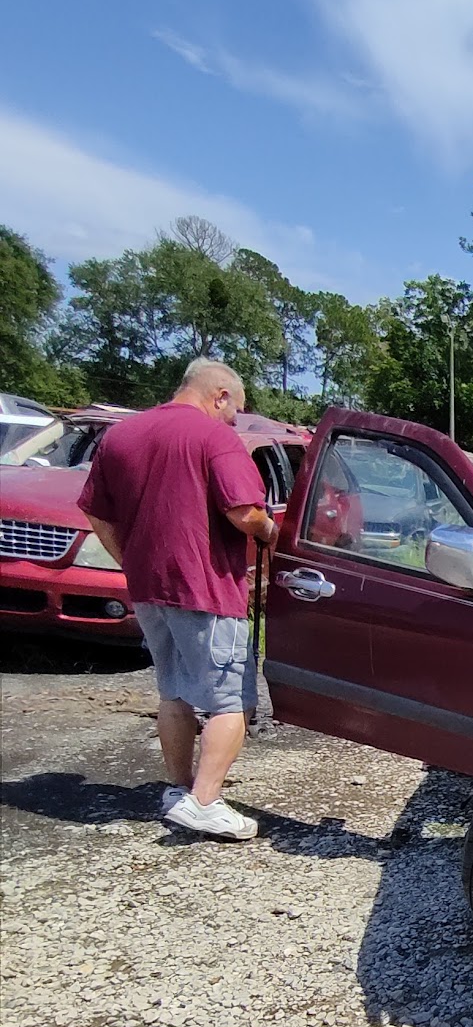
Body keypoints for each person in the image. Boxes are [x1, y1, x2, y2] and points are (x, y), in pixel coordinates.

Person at [78, 358, 276, 841]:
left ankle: (179, 789)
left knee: (174, 692)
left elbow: (96, 514)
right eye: (235, 410)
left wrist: (131, 561)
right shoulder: (214, 437)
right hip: (205, 590)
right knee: (230, 700)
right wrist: (272, 532)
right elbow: (244, 512)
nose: (234, 420)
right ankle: (205, 802)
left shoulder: (121, 436)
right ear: (220, 395)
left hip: (149, 590)